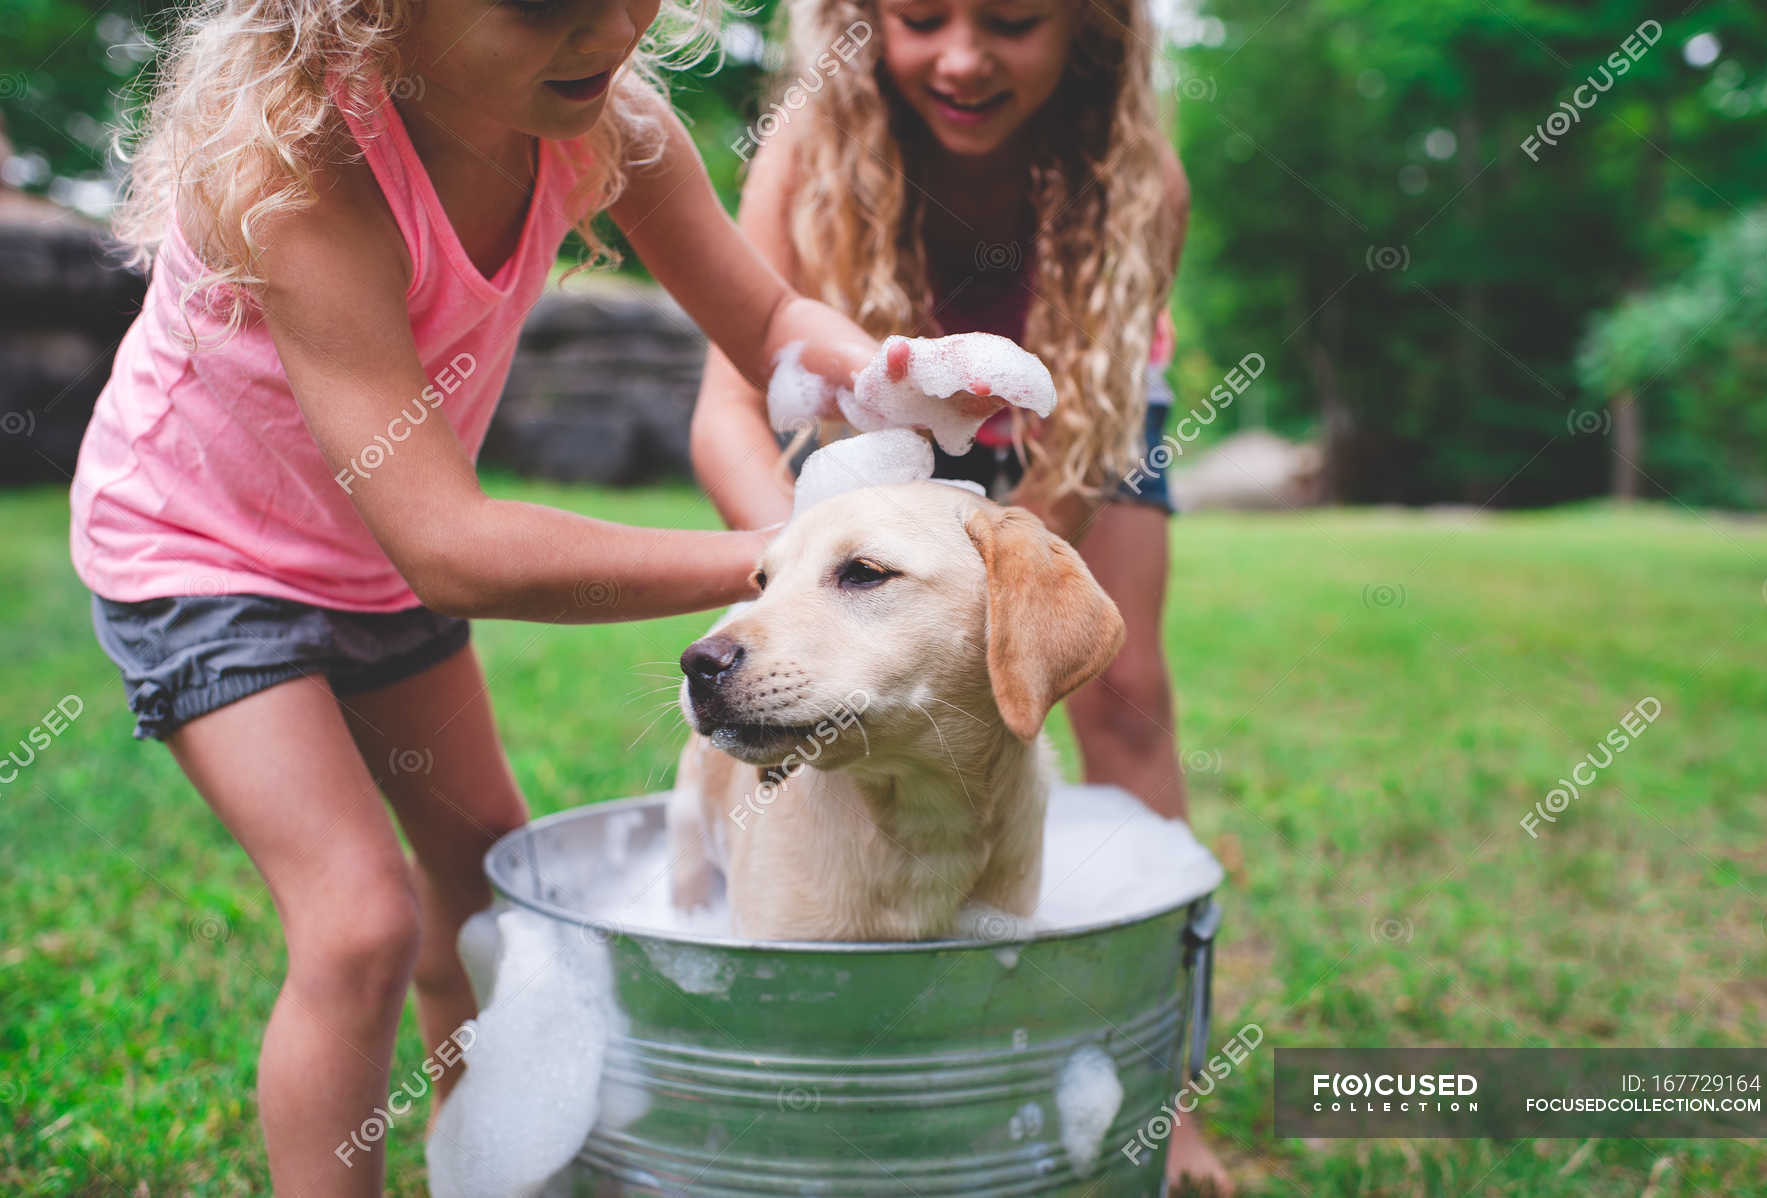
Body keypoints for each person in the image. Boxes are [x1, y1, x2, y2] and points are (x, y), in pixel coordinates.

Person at [66, 0, 894, 1191]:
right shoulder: (294, 171)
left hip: (375, 554)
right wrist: (781, 555)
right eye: (545, 6)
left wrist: (886, 374)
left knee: (489, 882)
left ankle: (481, 1162)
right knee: (357, 925)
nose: (608, 31)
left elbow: (766, 323)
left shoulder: (608, 123)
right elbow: (455, 548)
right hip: (203, 558)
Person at [690, 0, 1230, 1190]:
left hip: (1075, 408)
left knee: (1126, 696)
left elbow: (1076, 458)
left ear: (1086, 32)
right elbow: (728, 408)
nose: (964, 56)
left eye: (1015, 21)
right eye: (921, 18)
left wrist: (1005, 580)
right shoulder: (810, 144)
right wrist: (811, 564)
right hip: (857, 428)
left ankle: (1168, 1095)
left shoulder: (1143, 180)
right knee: (823, 683)